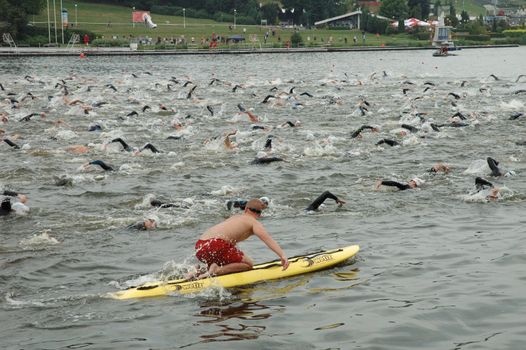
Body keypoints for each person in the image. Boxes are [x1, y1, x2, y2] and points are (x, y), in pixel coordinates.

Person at [193, 199, 289, 278]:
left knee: (222, 260)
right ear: (259, 214)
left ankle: (196, 271)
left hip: (200, 246)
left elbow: (227, 240)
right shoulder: (254, 223)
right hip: (216, 245)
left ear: (246, 209)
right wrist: (282, 255)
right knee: (248, 264)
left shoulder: (234, 217)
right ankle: (217, 270)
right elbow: (268, 240)